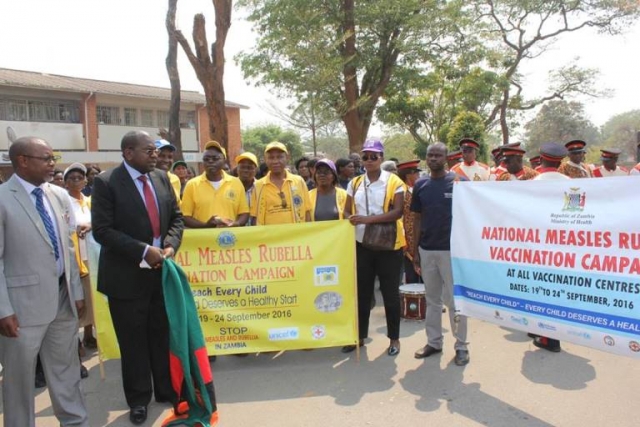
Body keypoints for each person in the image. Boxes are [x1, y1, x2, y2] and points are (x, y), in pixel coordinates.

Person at [91, 130, 183, 425]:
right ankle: (138, 399)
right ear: (128, 153)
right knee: (133, 342)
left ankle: (165, 390)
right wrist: (144, 251)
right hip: (125, 277)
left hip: (161, 275)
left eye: (156, 150)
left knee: (161, 334)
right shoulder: (106, 183)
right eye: (148, 150)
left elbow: (177, 218)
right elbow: (102, 230)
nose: (155, 155)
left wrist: (169, 244)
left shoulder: (161, 178)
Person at [0, 136, 88, 427]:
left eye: (54, 157)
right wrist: (3, 310)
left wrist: (75, 290)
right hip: (21, 309)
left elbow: (68, 245)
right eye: (46, 158)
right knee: (19, 379)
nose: (53, 164)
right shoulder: (2, 198)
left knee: (66, 370)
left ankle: (75, 421)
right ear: (22, 161)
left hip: (63, 300)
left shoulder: (59, 195)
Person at [343, 138, 405, 356]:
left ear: (381, 157)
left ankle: (394, 339)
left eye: (373, 156)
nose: (369, 160)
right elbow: (347, 211)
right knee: (362, 293)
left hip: (389, 246)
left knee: (390, 294)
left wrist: (367, 220)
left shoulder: (394, 181)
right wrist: (352, 219)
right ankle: (359, 336)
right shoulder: (355, 183)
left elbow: (398, 212)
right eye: (365, 156)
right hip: (362, 245)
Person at [411, 142, 469, 366]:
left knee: (455, 302)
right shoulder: (420, 184)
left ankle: (461, 346)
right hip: (427, 250)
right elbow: (416, 218)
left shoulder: (459, 183)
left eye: (438, 155)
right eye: (429, 155)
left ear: (446, 158)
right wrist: (415, 250)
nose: (433, 159)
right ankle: (434, 342)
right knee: (432, 300)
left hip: (452, 252)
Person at [530, 142, 569, 352]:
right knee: (558, 292)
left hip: (540, 247)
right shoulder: (570, 183)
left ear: (541, 158)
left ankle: (547, 338)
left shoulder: (534, 183)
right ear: (560, 161)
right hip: (563, 248)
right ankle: (557, 334)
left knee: (542, 292)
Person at [64, 162, 94, 375]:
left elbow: (99, 222)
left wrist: (90, 226)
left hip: (90, 259)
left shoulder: (89, 201)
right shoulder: (63, 201)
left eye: (80, 177)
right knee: (77, 306)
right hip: (72, 263)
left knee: (90, 303)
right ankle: (74, 350)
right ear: (65, 182)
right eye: (72, 178)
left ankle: (89, 335)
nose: (77, 181)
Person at [181, 141, 249, 228]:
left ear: (224, 160)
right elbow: (185, 216)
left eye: (215, 158)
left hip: (229, 238)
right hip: (203, 239)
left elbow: (244, 213)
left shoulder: (236, 183)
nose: (210, 161)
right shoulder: (192, 185)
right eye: (206, 159)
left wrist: (236, 224)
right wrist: (205, 225)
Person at [250, 141, 311, 225]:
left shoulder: (299, 181)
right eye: (271, 157)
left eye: (279, 157)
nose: (275, 161)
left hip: (296, 236)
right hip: (270, 237)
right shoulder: (258, 185)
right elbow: (254, 216)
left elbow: (307, 211)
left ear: (287, 157)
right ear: (265, 159)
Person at [397, 160, 422, 284]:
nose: (418, 176)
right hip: (406, 240)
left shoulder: (414, 189)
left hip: (418, 238)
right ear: (408, 175)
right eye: (416, 173)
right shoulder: (401, 191)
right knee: (411, 277)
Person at [235, 152, 259, 221]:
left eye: (249, 167)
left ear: (256, 170)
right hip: (236, 230)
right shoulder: (229, 186)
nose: (245, 170)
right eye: (242, 167)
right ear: (237, 169)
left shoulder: (261, 187)